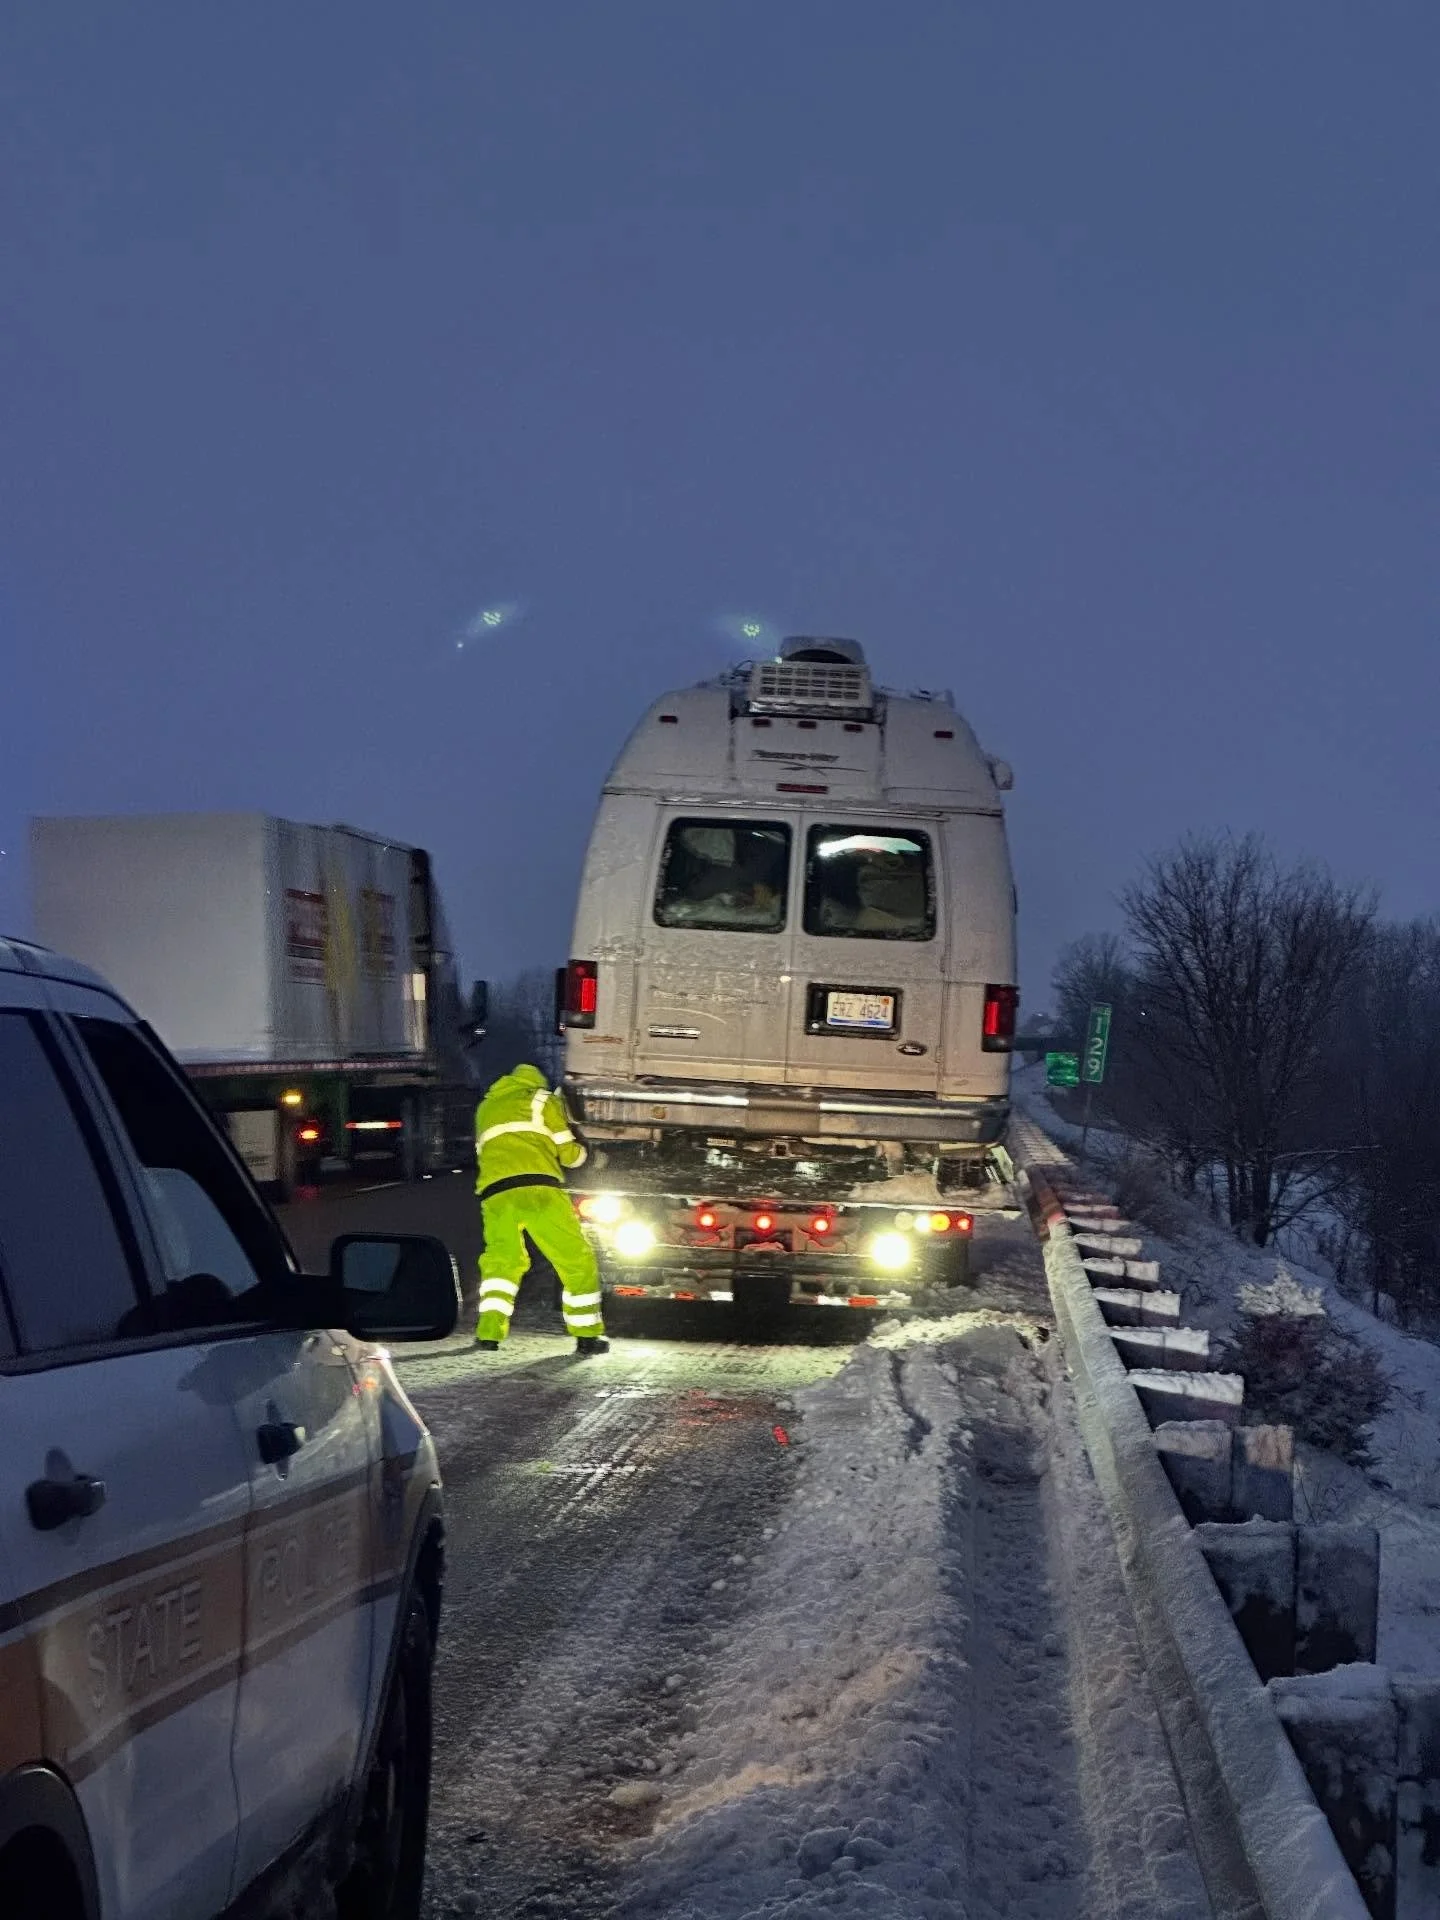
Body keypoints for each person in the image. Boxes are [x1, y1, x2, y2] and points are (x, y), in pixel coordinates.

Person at [472, 1063, 609, 1355]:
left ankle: (488, 1334)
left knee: (501, 1263)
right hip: (539, 1190)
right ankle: (586, 1337)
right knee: (576, 1259)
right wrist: (591, 1156)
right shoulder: (542, 1100)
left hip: (495, 1195)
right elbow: (570, 1156)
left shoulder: (486, 1107)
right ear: (538, 1083)